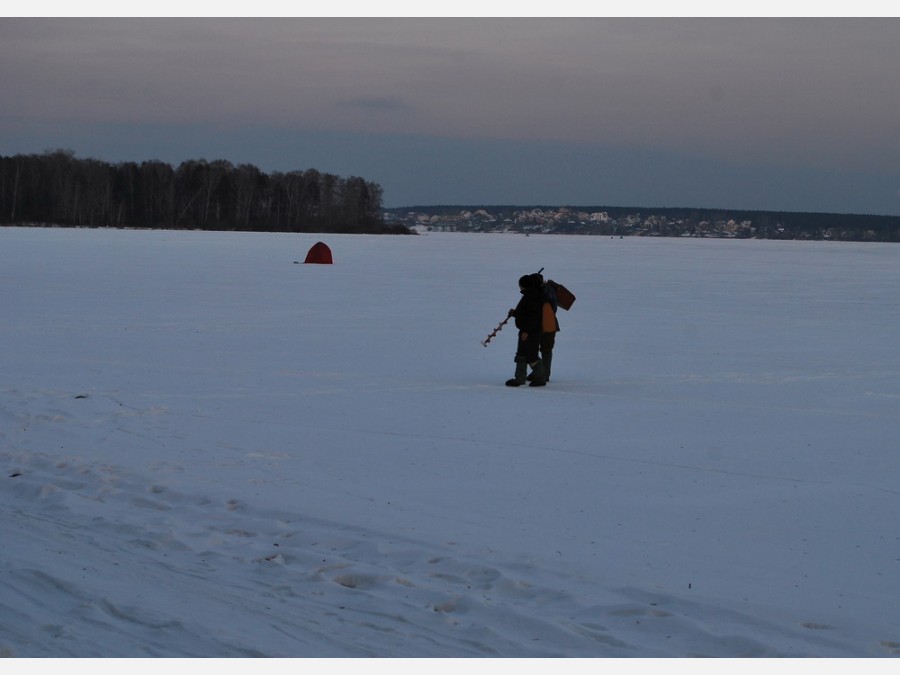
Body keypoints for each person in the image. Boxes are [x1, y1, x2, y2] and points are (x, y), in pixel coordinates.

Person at [505, 273, 548, 387]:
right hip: (527, 330)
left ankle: (540, 378)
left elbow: (534, 317)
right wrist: (515, 313)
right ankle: (519, 378)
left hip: (531, 331)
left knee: (531, 355)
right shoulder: (530, 295)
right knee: (521, 354)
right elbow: (525, 313)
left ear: (524, 285)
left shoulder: (532, 297)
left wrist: (526, 331)